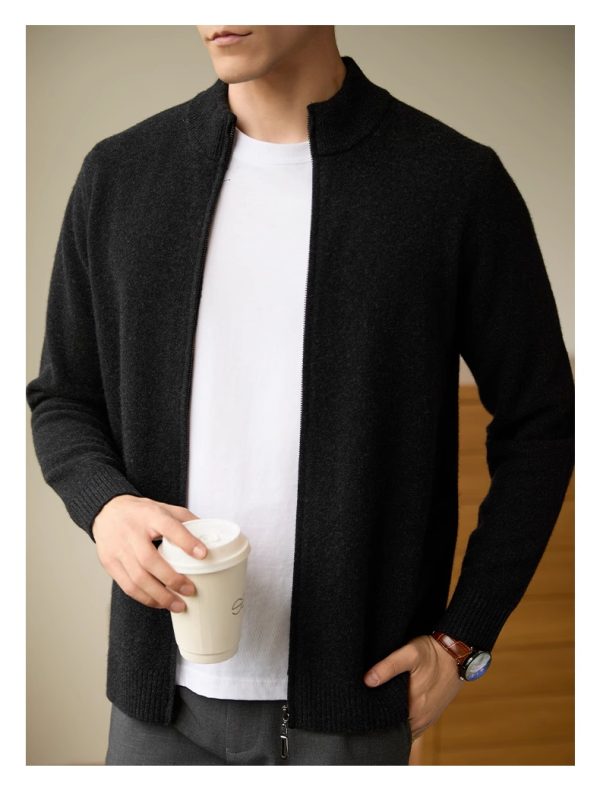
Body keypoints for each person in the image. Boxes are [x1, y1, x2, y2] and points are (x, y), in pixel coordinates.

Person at [25, 25, 575, 766]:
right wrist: (105, 505)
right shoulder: (120, 175)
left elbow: (542, 421)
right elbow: (63, 395)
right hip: (156, 710)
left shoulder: (451, 184)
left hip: (350, 711)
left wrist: (464, 639)